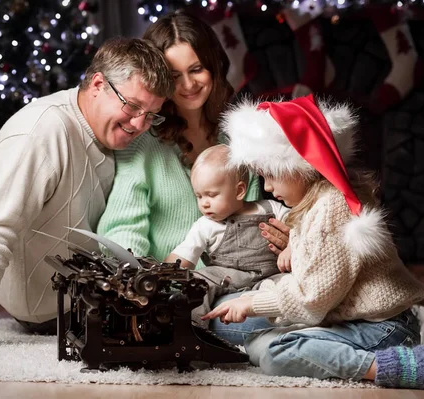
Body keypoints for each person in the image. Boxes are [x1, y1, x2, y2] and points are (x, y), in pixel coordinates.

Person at [0, 37, 174, 351]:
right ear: (98, 84)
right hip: (50, 309)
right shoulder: (40, 133)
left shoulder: (112, 133)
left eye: (151, 114)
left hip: (83, 295)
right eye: (133, 106)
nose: (140, 124)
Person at [203, 94, 424, 392]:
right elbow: (309, 281)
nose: (266, 187)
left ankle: (399, 365)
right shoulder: (311, 204)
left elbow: (312, 301)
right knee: (254, 340)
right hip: (349, 319)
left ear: (302, 165)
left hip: (383, 329)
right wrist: (255, 296)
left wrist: (252, 302)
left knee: (275, 354)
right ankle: (331, 351)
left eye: (271, 175)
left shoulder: (332, 208)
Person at [97, 11, 289, 267]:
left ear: (213, 66)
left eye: (196, 69)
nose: (188, 84)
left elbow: (260, 214)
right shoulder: (143, 142)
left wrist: (288, 239)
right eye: (174, 76)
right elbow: (122, 232)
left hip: (243, 285)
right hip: (172, 291)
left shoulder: (240, 138)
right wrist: (144, 284)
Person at [163, 144, 289, 326]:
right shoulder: (206, 225)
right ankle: (193, 329)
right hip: (227, 277)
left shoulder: (272, 209)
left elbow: (300, 227)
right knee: (197, 282)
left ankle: (298, 326)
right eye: (199, 196)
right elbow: (184, 256)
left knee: (295, 284)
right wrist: (162, 274)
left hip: (272, 276)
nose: (204, 204)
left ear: (239, 191)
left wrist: (292, 245)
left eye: (211, 195)